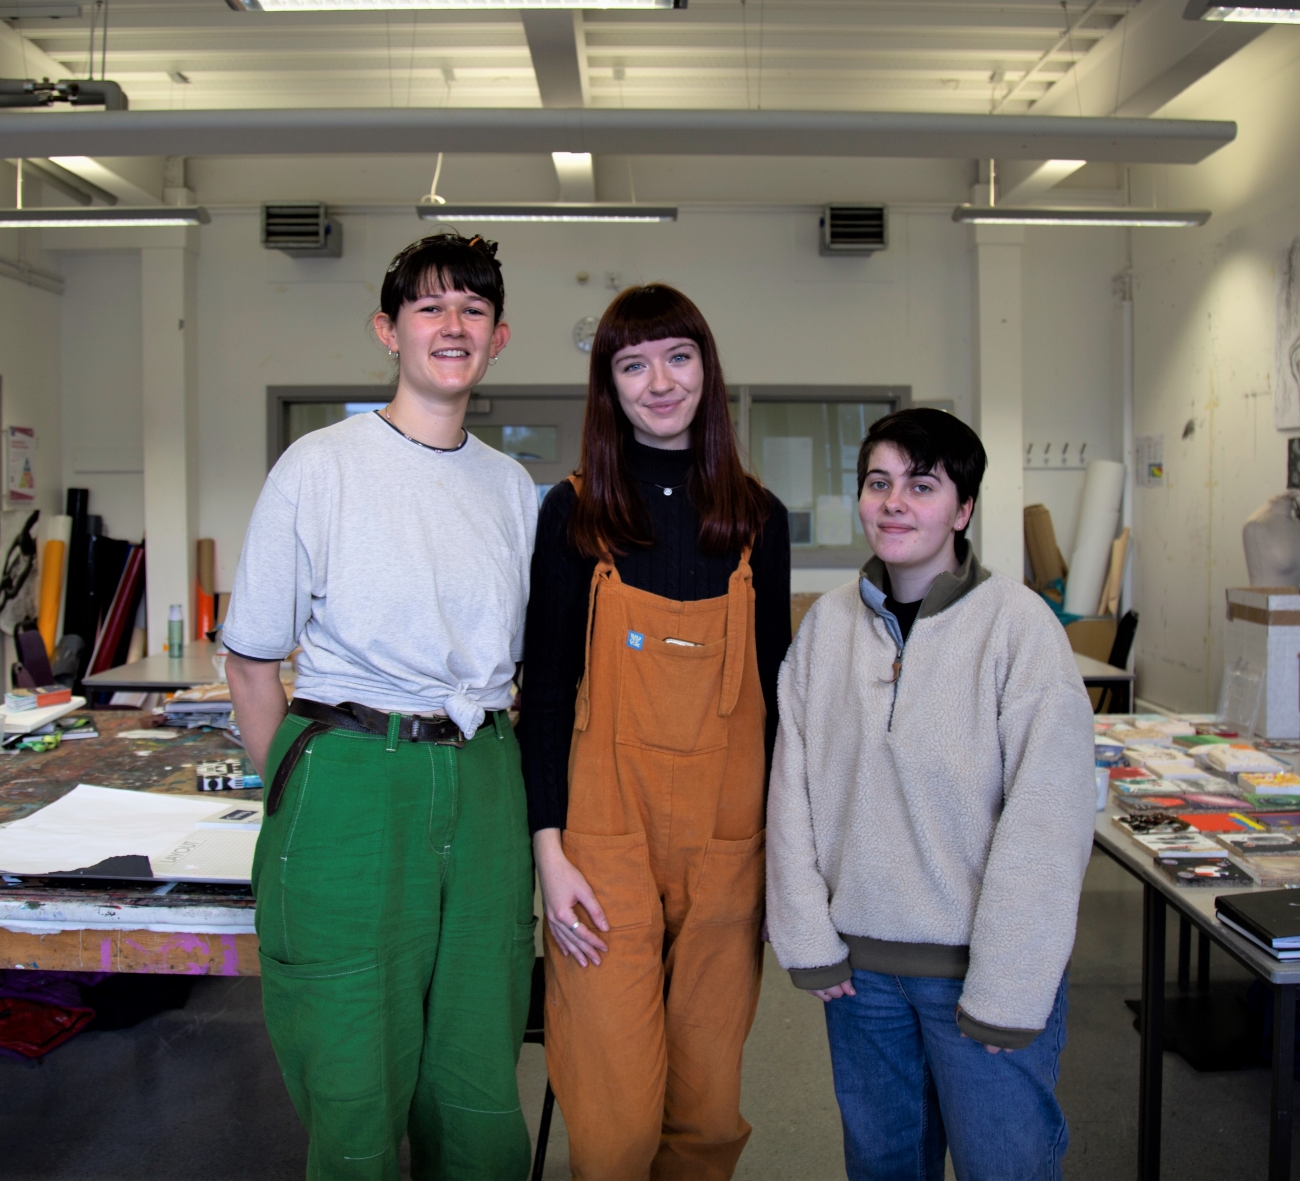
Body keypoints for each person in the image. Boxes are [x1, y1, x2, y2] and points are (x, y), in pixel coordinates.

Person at [224, 233, 538, 1181]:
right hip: (351, 771)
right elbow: (251, 665)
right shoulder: (320, 467)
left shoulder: (513, 489)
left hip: (484, 778)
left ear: (499, 337)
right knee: (353, 1066)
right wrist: (301, 794)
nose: (453, 325)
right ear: (388, 331)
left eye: (473, 309)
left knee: (478, 1061)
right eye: (429, 307)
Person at [765, 407, 1095, 1181]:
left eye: (921, 485)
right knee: (882, 1165)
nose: (894, 503)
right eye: (877, 483)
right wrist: (808, 938)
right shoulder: (826, 627)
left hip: (979, 975)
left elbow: (1048, 822)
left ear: (964, 509)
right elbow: (791, 792)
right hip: (860, 978)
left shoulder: (1019, 628)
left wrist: (1008, 988)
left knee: (1003, 1166)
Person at [520, 283, 791, 1181]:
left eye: (678, 357)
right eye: (633, 365)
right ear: (609, 387)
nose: (660, 382)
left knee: (706, 1110)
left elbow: (780, 703)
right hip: (603, 848)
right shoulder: (574, 514)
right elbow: (545, 695)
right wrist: (549, 855)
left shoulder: (757, 521)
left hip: (727, 845)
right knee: (614, 1121)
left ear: (707, 370)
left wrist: (789, 860)